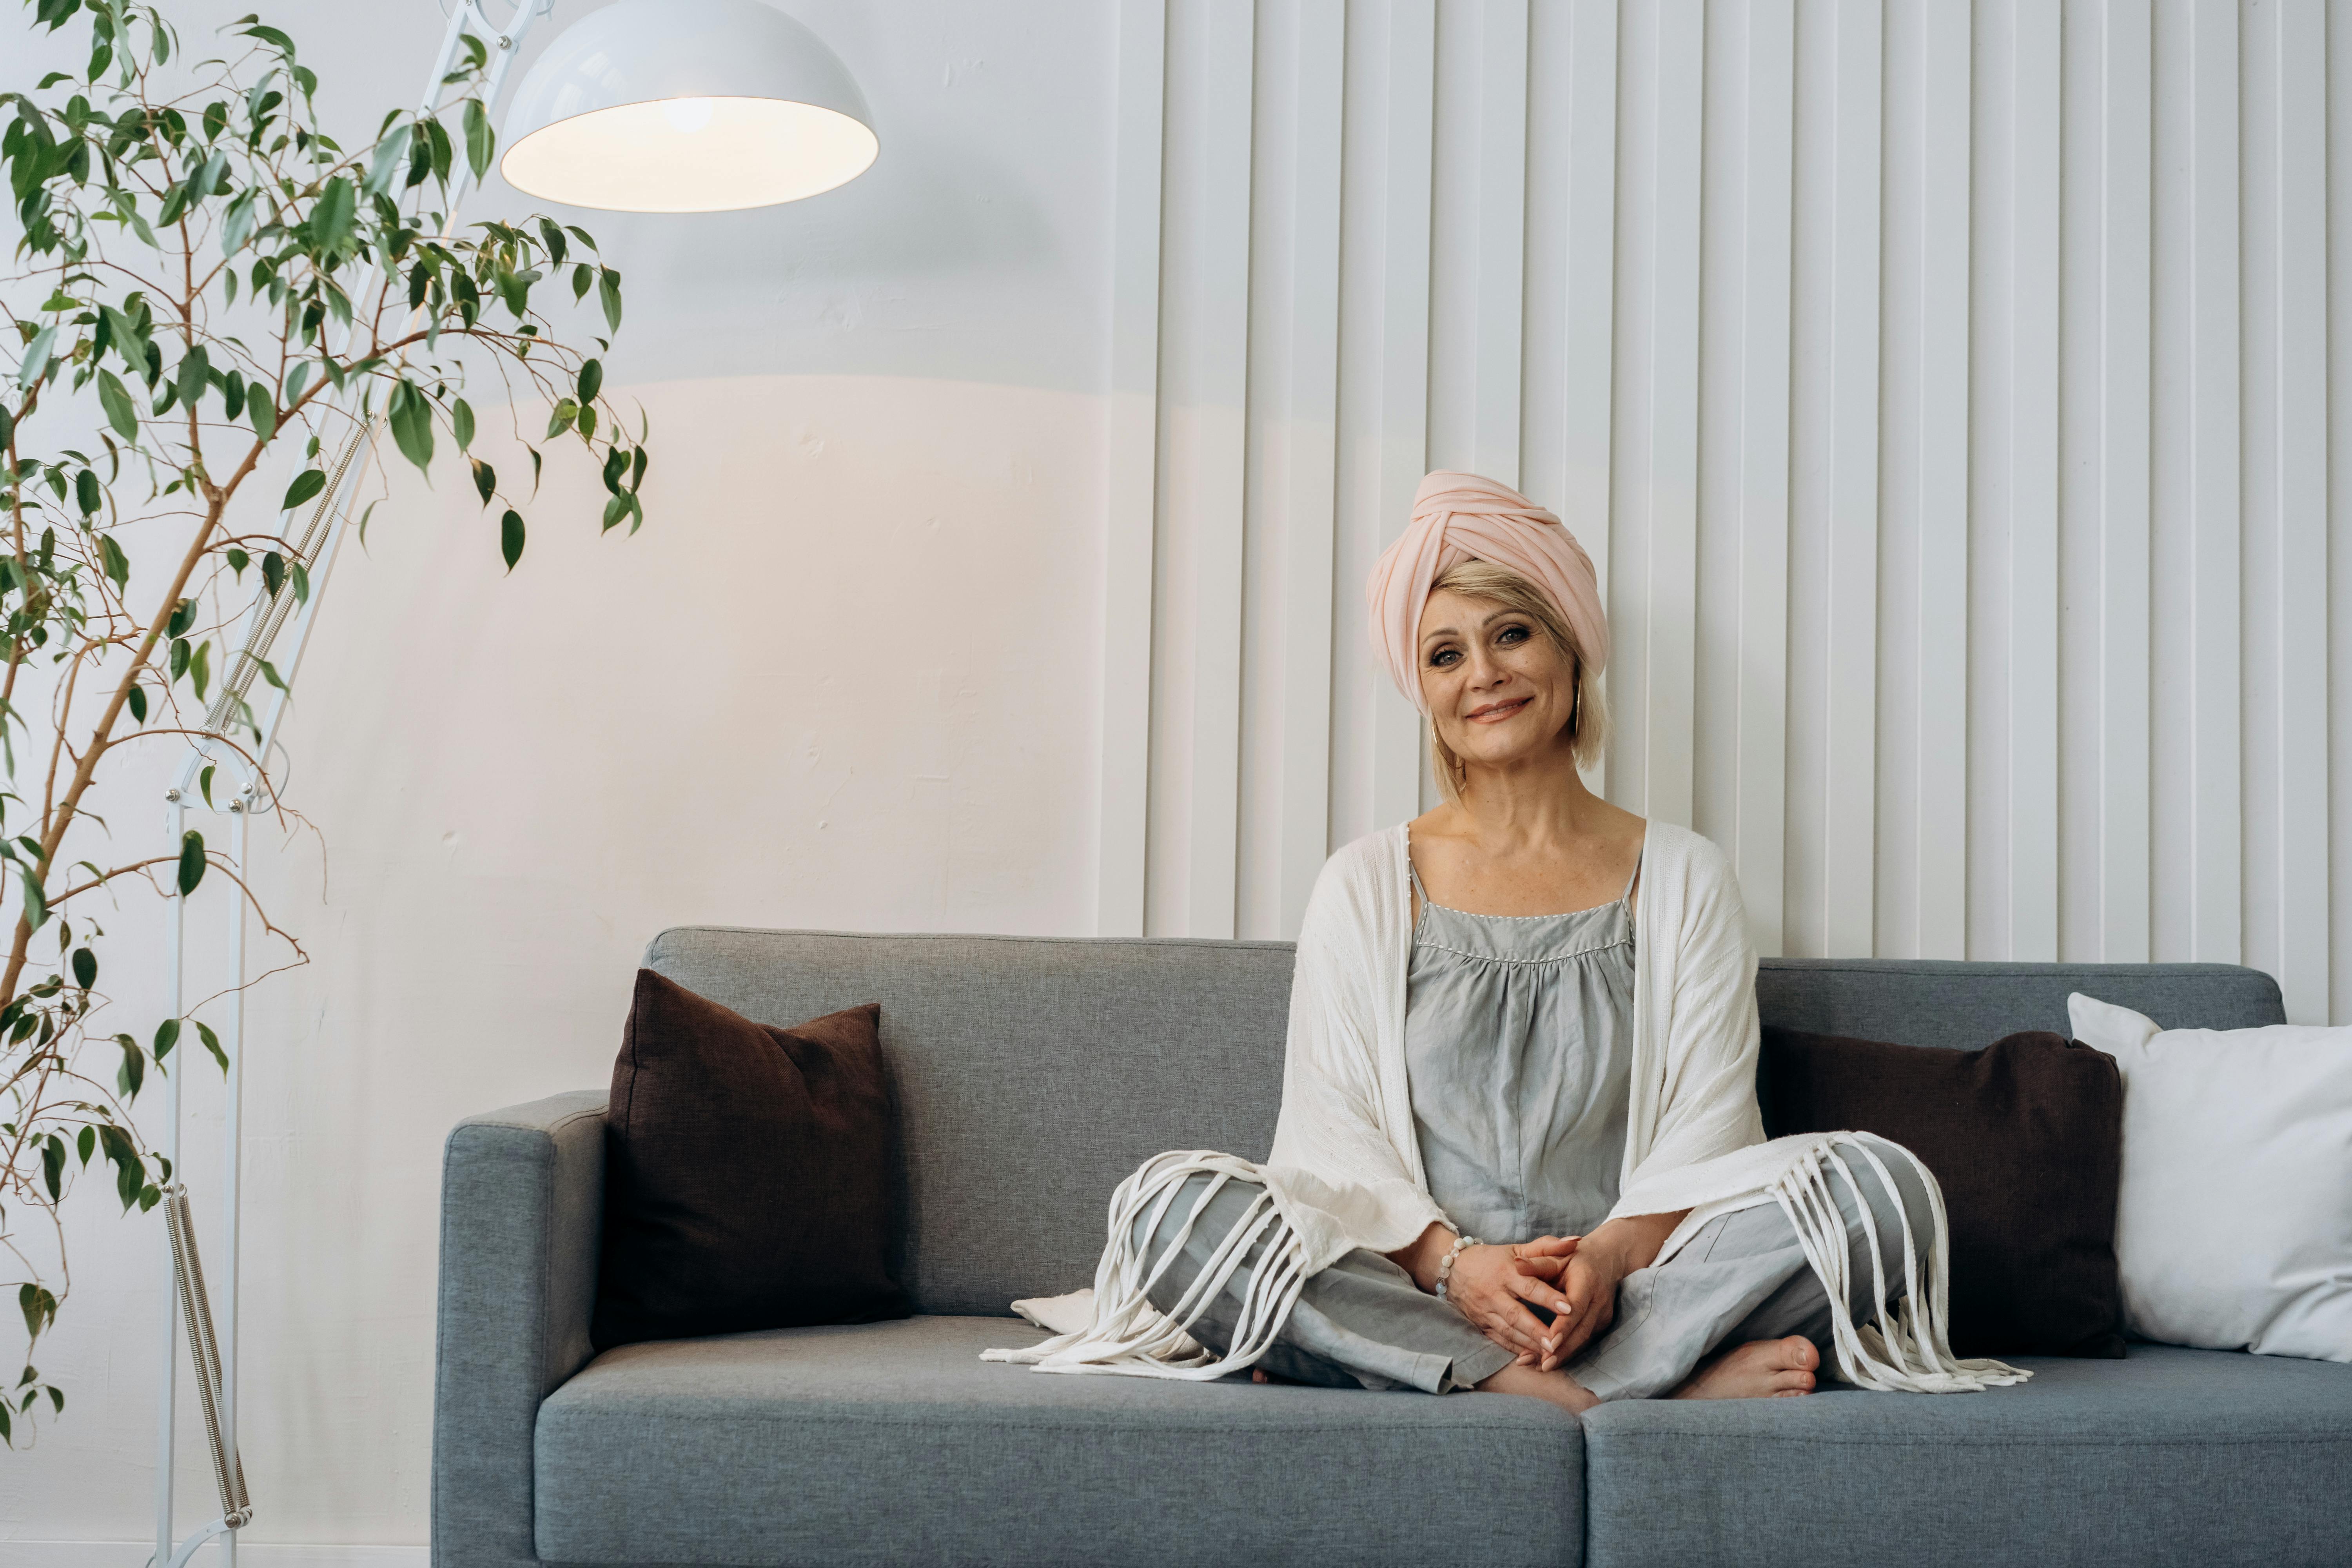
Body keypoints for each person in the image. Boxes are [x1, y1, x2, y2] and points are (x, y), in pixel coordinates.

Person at [990, 472, 2025, 1410]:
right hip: (1420, 1283)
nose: (1483, 673)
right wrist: (1456, 1269)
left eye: (1512, 635)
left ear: (1570, 649)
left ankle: (1466, 1369)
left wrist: (1609, 1266)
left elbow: (1709, 1129)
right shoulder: (1364, 883)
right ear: (1428, 695)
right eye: (1446, 654)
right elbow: (1329, 1135)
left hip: (1635, 1284)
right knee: (1170, 1209)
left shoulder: (1683, 876)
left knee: (1882, 1196)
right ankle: (1611, 1392)